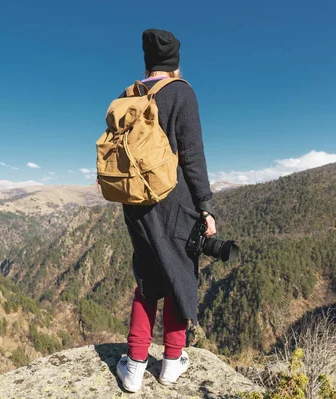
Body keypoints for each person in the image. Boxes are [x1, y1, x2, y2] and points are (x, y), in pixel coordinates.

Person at [115, 28, 216, 393]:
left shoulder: (131, 95)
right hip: (176, 203)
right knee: (179, 276)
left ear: (147, 62)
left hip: (136, 205)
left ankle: (135, 365)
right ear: (176, 64)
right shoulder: (182, 92)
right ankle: (172, 361)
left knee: (147, 279)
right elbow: (193, 156)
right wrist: (205, 206)